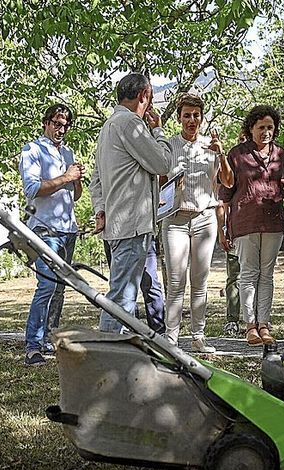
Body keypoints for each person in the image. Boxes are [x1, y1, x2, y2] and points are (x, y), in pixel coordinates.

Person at [90, 73, 171, 333]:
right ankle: (105, 356)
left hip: (118, 224)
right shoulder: (129, 124)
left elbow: (96, 179)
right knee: (121, 297)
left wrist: (100, 209)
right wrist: (157, 131)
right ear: (144, 95)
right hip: (132, 225)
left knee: (124, 292)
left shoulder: (108, 127)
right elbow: (162, 163)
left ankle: (117, 351)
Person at [218, 105, 284, 346]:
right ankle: (250, 325)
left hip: (273, 221)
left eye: (270, 127)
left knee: (267, 275)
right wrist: (223, 228)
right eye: (261, 127)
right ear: (251, 129)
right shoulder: (236, 154)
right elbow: (226, 192)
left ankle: (264, 324)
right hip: (245, 221)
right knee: (248, 274)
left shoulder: (281, 154)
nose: (266, 132)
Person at [19, 103, 83, 366]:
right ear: (46, 123)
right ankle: (32, 346)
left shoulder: (67, 152)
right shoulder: (32, 150)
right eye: (57, 123)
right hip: (44, 228)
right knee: (46, 286)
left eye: (66, 124)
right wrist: (66, 177)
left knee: (59, 289)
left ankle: (49, 338)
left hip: (68, 228)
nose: (61, 129)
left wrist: (76, 180)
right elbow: (32, 189)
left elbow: (75, 196)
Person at [161, 94, 220, 352]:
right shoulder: (169, 145)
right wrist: (173, 186)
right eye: (187, 115)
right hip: (176, 220)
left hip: (205, 218)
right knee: (175, 281)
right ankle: (171, 338)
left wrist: (223, 154)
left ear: (202, 118)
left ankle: (198, 336)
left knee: (200, 280)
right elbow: (159, 180)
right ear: (179, 118)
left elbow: (224, 182)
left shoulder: (211, 145)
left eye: (196, 115)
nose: (192, 120)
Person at [216, 200, 242, 336]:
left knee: (261, 275)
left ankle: (260, 321)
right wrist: (223, 231)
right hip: (234, 230)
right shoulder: (228, 179)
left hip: (257, 227)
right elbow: (221, 203)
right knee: (234, 277)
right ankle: (232, 320)